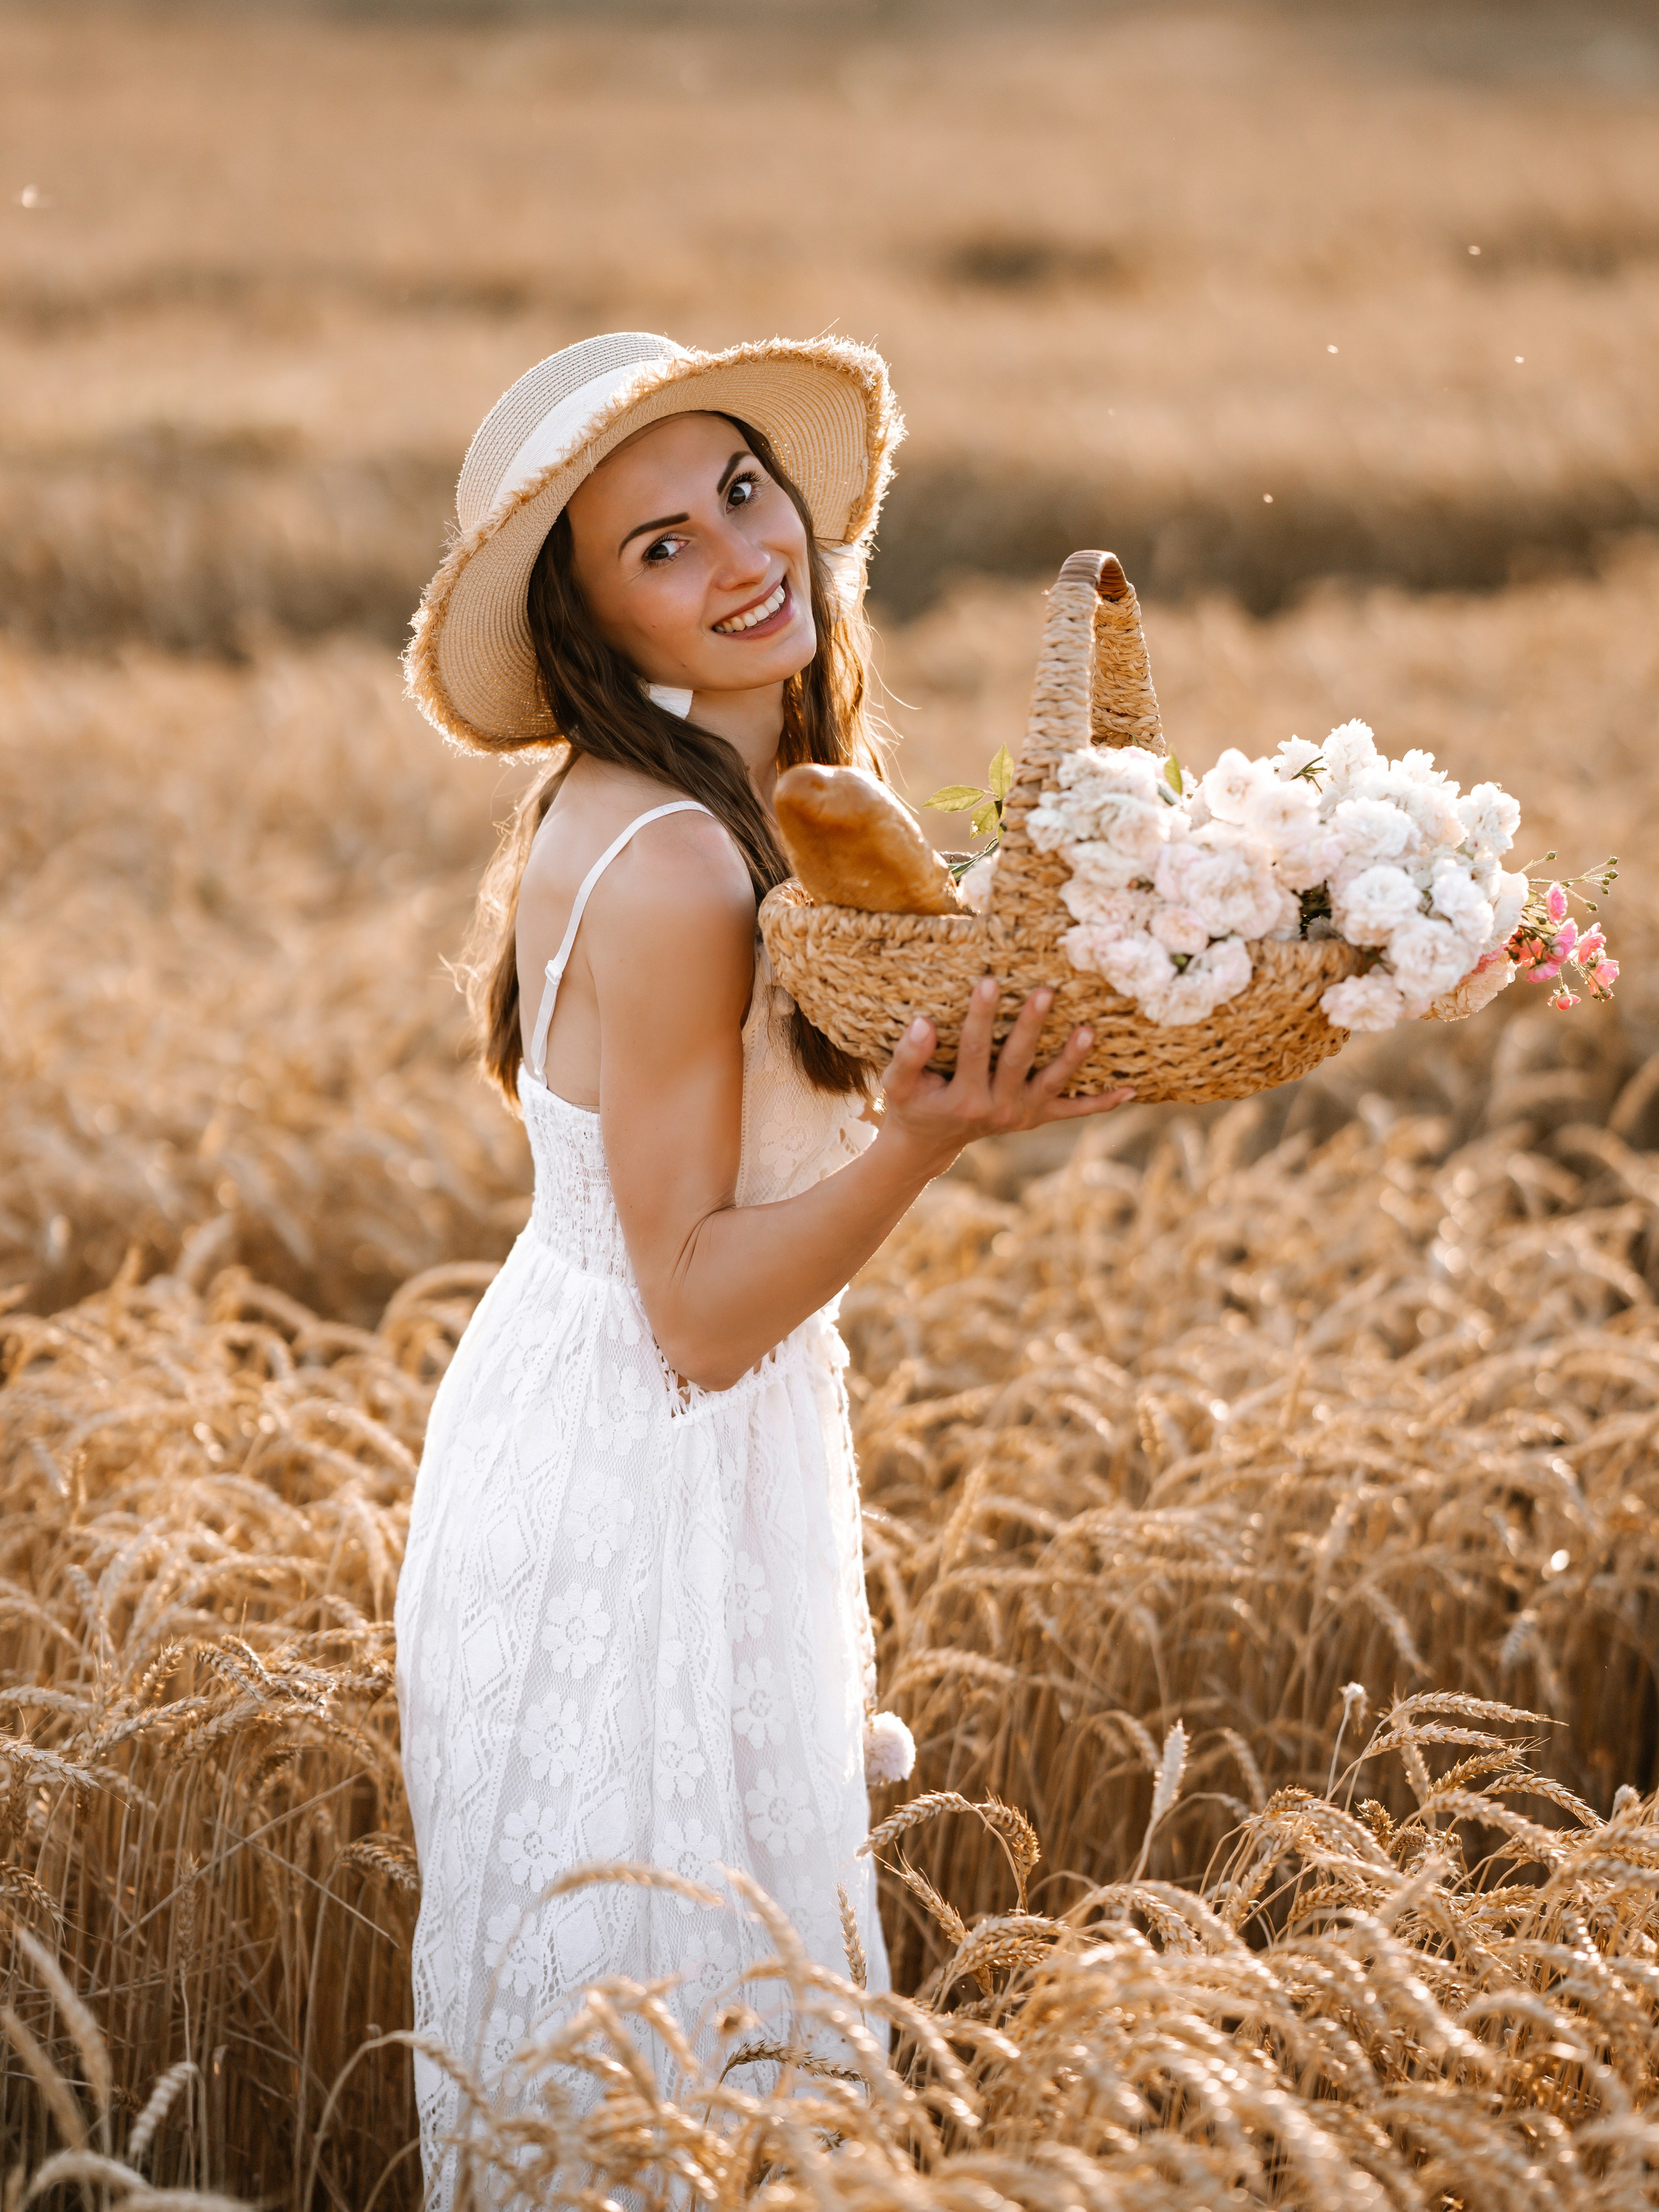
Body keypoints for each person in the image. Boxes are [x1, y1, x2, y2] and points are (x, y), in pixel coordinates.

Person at [393, 331, 1132, 2200]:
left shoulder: (761, 795)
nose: (740, 554)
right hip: (633, 1463)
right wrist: (925, 1139)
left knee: (706, 2032)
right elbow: (702, 1312)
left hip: (648, 1427)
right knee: (663, 2032)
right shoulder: (671, 867)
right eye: (659, 546)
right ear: (587, 628)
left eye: (740, 490)